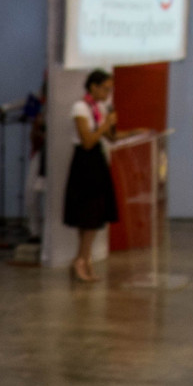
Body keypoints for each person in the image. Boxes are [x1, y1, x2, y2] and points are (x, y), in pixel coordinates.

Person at [65, 68, 119, 283]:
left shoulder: (99, 108)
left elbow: (110, 137)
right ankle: (81, 259)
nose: (108, 94)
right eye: (105, 89)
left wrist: (135, 132)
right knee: (88, 215)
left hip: (97, 160)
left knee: (94, 214)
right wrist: (105, 124)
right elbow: (87, 140)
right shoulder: (80, 107)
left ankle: (84, 258)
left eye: (110, 89)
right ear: (93, 87)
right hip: (85, 163)